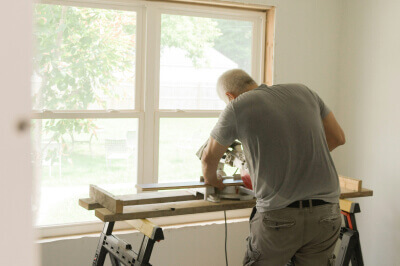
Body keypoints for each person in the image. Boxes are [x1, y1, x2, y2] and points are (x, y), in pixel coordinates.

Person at [200, 69, 345, 266]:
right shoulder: (305, 92)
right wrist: (296, 160)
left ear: (229, 96)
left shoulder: (237, 106)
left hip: (279, 215)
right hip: (327, 212)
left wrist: (214, 181)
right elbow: (338, 138)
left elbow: (208, 158)